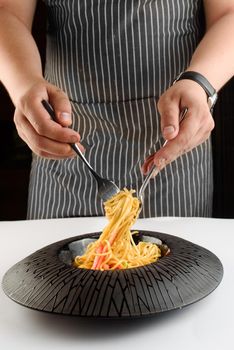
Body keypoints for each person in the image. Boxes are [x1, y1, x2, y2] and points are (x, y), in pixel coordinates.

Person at [0, 0, 234, 219]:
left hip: (176, 152)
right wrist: (24, 85)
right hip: (63, 150)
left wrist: (200, 83)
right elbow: (8, 12)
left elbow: (228, 12)